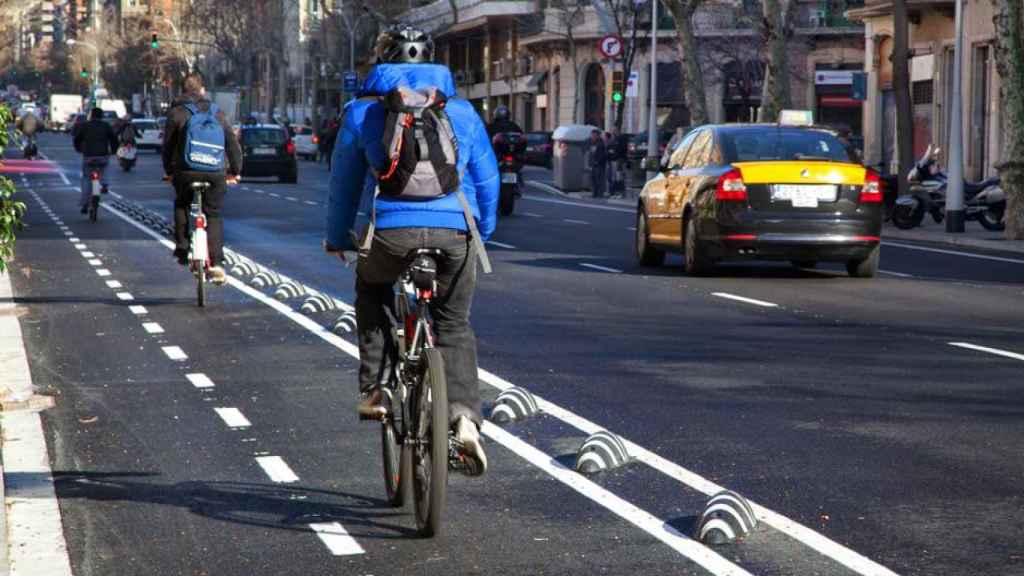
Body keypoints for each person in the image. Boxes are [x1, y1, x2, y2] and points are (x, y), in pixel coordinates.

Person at [324, 25, 499, 474]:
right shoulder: (460, 110)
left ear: (381, 60)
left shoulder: (363, 111)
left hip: (390, 233)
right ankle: (463, 420)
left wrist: (339, 236)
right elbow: (486, 179)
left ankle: (378, 388)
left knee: (372, 288)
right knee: (454, 324)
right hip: (455, 233)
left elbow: (343, 183)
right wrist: (483, 228)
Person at [162, 73, 243, 285]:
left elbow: (168, 147)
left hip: (186, 172)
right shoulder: (217, 113)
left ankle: (181, 247)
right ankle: (216, 263)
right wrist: (235, 171)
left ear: (182, 90)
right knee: (213, 214)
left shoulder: (176, 113)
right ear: (203, 90)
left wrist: (169, 171)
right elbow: (232, 145)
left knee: (181, 203)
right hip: (215, 173)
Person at [73, 107, 119, 214]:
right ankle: (104, 184)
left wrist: (79, 148)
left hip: (88, 156)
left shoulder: (85, 126)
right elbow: (113, 138)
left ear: (91, 115)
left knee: (86, 178)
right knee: (106, 167)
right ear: (101, 116)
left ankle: (85, 203)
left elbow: (77, 139)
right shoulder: (106, 126)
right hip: (102, 155)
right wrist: (114, 150)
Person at [589, 128, 608, 199]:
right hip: (594, 164)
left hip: (599, 164)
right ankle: (595, 193)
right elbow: (591, 153)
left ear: (597, 135)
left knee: (599, 179)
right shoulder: (592, 143)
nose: (592, 136)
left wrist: (598, 161)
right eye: (592, 135)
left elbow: (603, 155)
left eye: (594, 135)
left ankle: (600, 193)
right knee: (593, 179)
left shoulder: (600, 143)